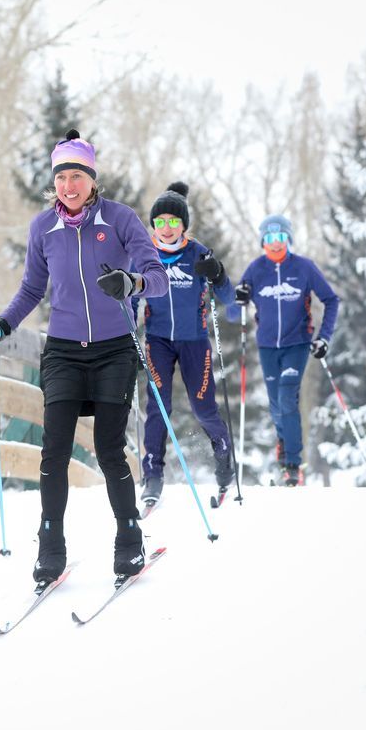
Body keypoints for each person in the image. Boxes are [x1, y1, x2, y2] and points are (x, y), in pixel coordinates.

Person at [0, 129, 168, 588]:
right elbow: (31, 289)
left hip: (114, 349)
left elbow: (155, 275)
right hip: (62, 350)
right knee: (53, 450)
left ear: (92, 180)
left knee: (107, 448)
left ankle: (129, 537)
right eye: (62, 176)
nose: (69, 185)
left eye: (77, 175)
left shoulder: (120, 220)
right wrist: (1, 326)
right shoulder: (43, 228)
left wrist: (132, 283)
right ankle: (50, 547)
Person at [136, 182, 236, 510]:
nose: (166, 229)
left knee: (203, 408)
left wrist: (218, 275)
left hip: (194, 341)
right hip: (158, 341)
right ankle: (153, 474)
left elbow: (232, 303)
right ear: (153, 226)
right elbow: (130, 294)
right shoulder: (144, 254)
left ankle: (223, 456)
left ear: (184, 225)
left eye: (173, 222)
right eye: (160, 222)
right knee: (159, 407)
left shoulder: (198, 253)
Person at [227, 214, 339, 486]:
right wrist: (238, 298)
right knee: (277, 405)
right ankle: (283, 444)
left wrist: (324, 337)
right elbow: (232, 313)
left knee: (287, 396)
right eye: (269, 238)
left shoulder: (303, 268)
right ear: (262, 241)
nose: (275, 244)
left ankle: (292, 464)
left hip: (297, 343)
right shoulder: (255, 270)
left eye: (280, 238)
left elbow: (331, 300)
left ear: (288, 239)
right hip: (267, 347)